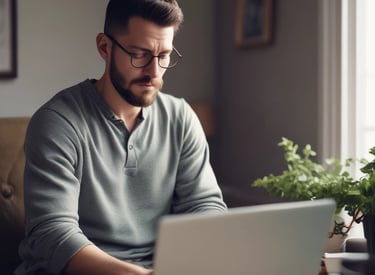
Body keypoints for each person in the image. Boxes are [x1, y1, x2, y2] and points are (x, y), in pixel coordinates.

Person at [15, 0, 227, 274]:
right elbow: (53, 234)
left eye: (164, 55)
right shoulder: (58, 122)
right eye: (139, 55)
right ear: (104, 47)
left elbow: (204, 205)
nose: (154, 72)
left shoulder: (181, 118)